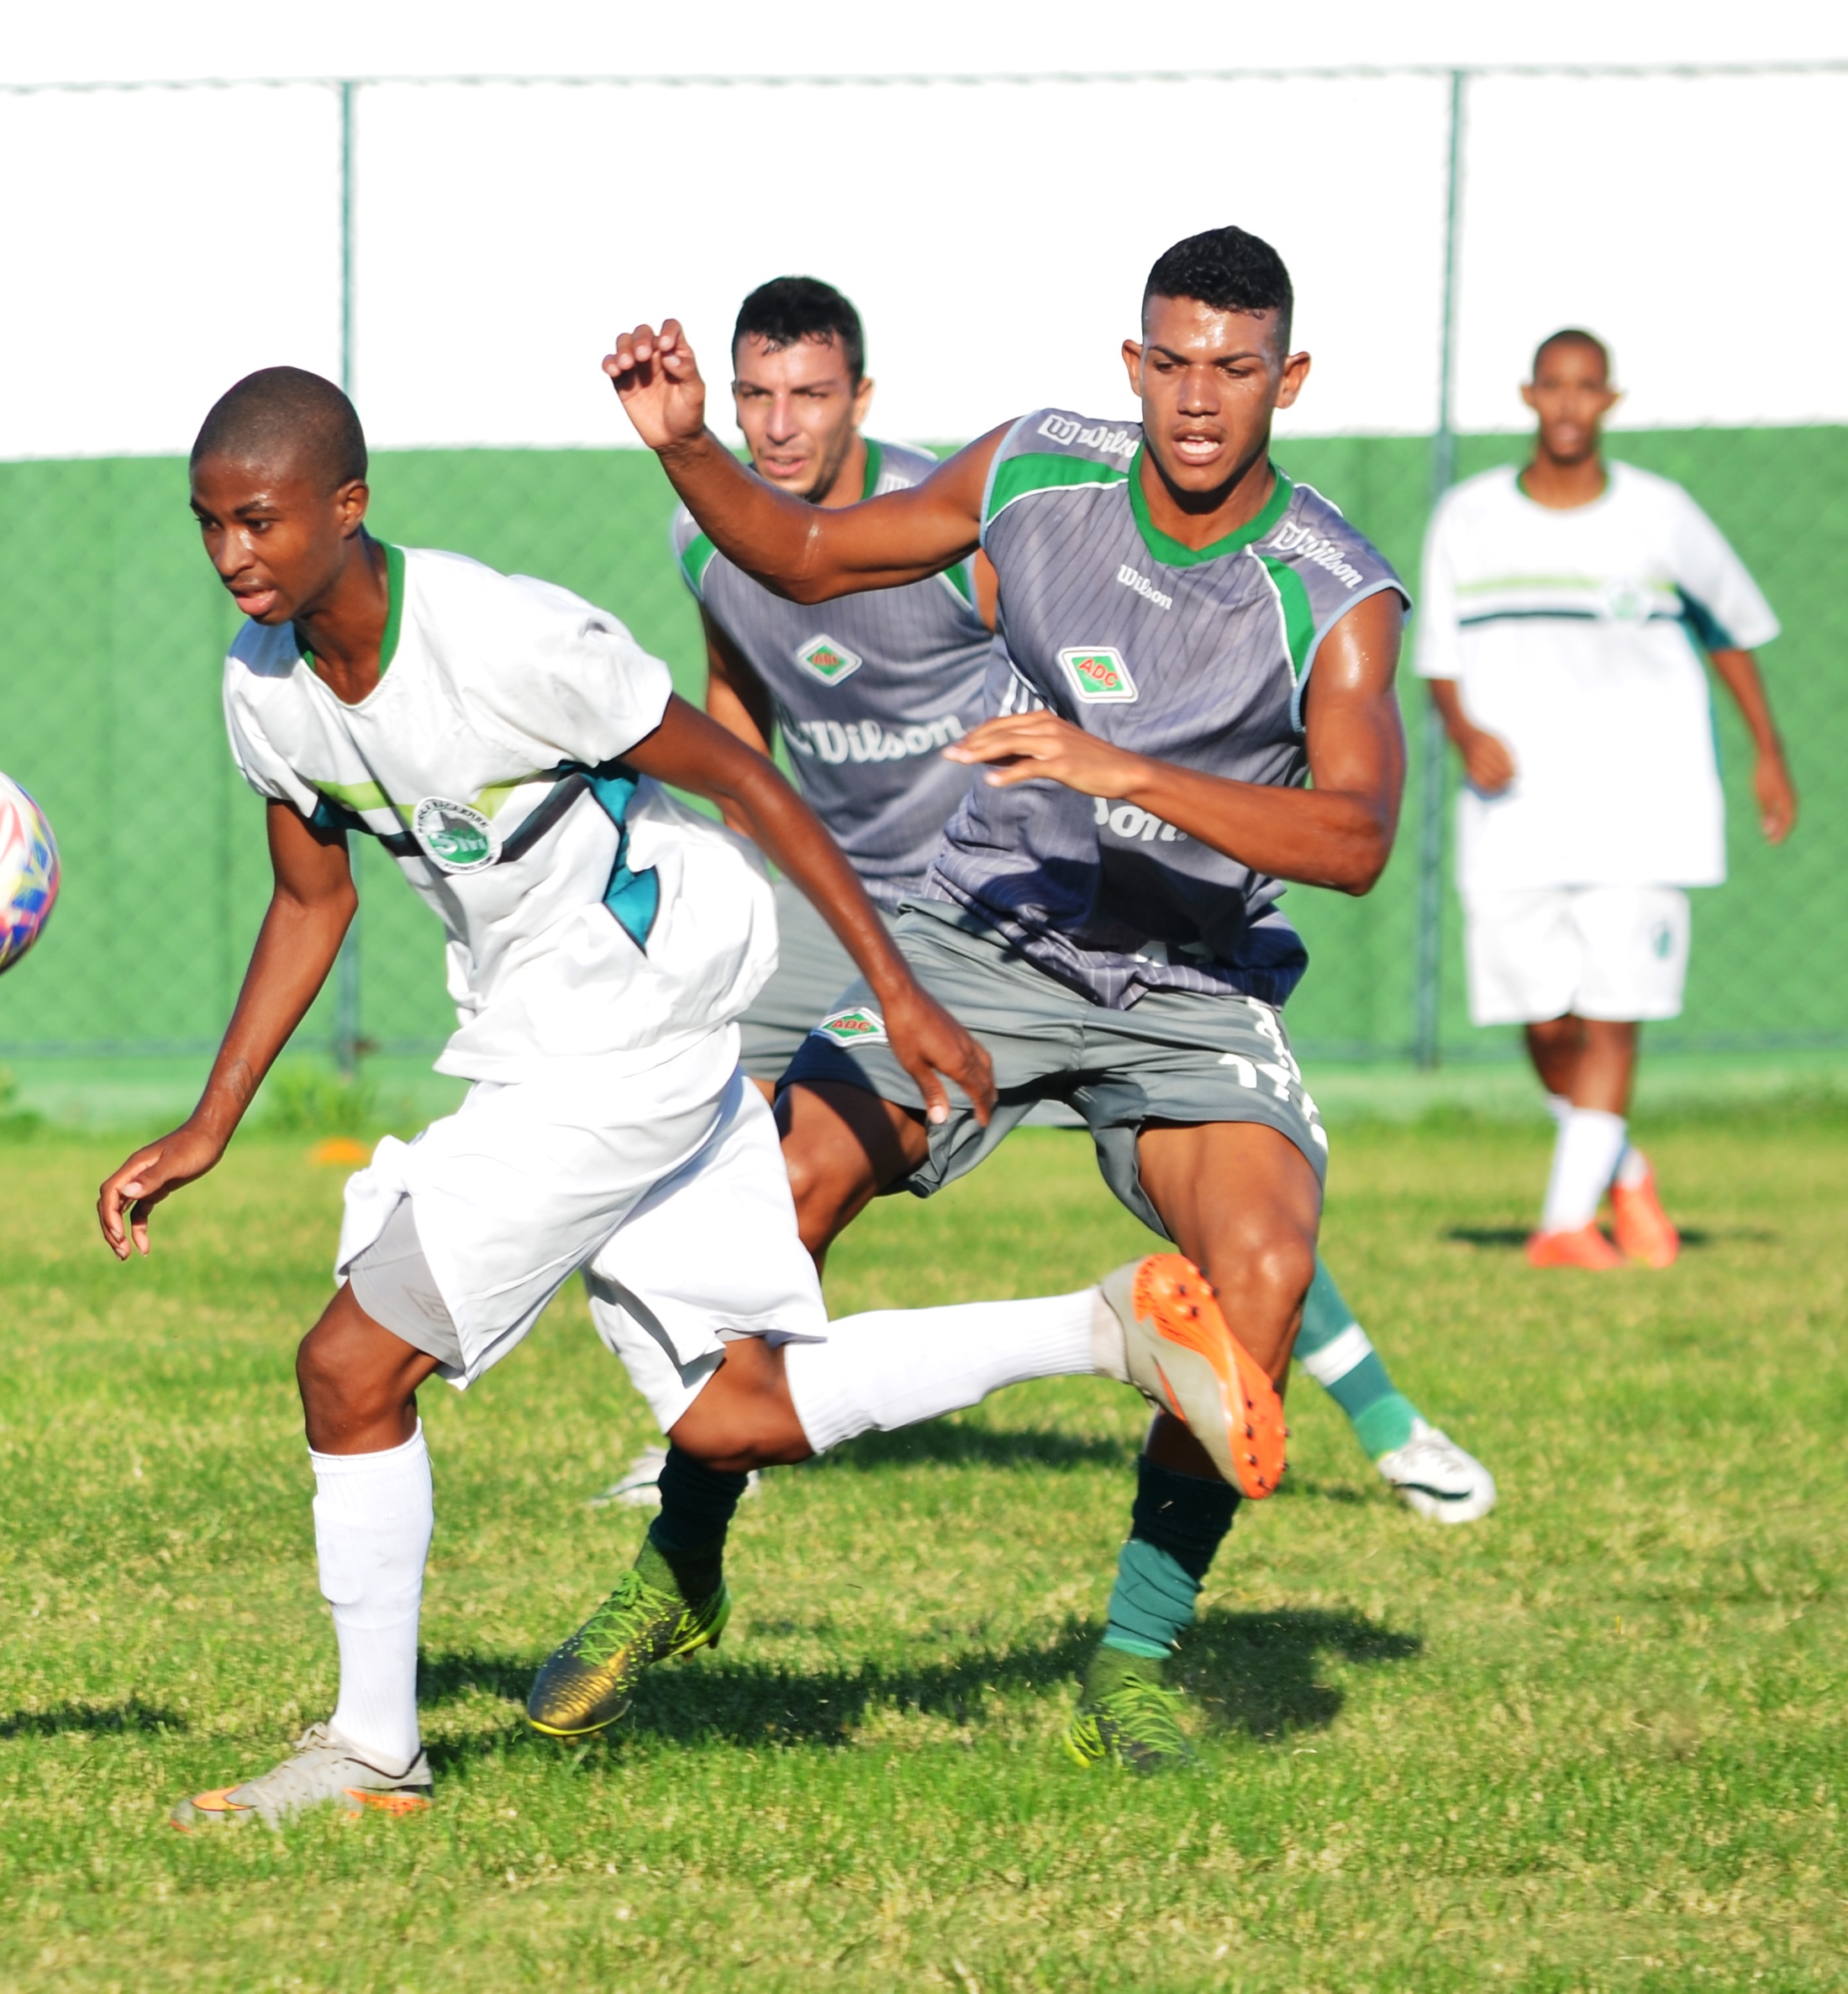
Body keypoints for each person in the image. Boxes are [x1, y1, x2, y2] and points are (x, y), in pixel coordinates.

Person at [99, 366, 1280, 1828]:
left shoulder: (506, 639)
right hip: (587, 1034)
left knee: (348, 1369)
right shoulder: (262, 684)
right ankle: (1104, 1325)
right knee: (733, 1413)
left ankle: (372, 1749)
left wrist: (899, 995)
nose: (233, 555)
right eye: (208, 524)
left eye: (260, 520)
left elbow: (748, 782)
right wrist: (208, 1124)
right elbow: (305, 898)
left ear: (346, 506)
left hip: (618, 1036)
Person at [536, 227, 1458, 1773]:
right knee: (776, 1195)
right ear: (1131, 364)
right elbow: (809, 555)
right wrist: (688, 441)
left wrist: (1121, 768)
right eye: (1170, 360)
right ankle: (678, 1571)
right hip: (987, 926)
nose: (1195, 398)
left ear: (1283, 379)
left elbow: (1356, 835)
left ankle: (1131, 1659)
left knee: (1258, 1275)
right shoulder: (1038, 469)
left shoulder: (1332, 590)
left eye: (1234, 368)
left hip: (1188, 982)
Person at [1419, 329, 1794, 1269]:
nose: (1572, 405)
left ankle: (1564, 1225)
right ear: (1529, 396)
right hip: (1510, 818)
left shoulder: (1663, 516)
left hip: (1646, 812)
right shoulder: (1466, 518)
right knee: (1544, 1019)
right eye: (1555, 387)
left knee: (1615, 1011)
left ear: (1610, 401)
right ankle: (1620, 1171)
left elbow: (1735, 632)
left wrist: (1769, 754)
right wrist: (1466, 733)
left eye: (1589, 389)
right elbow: (1438, 663)